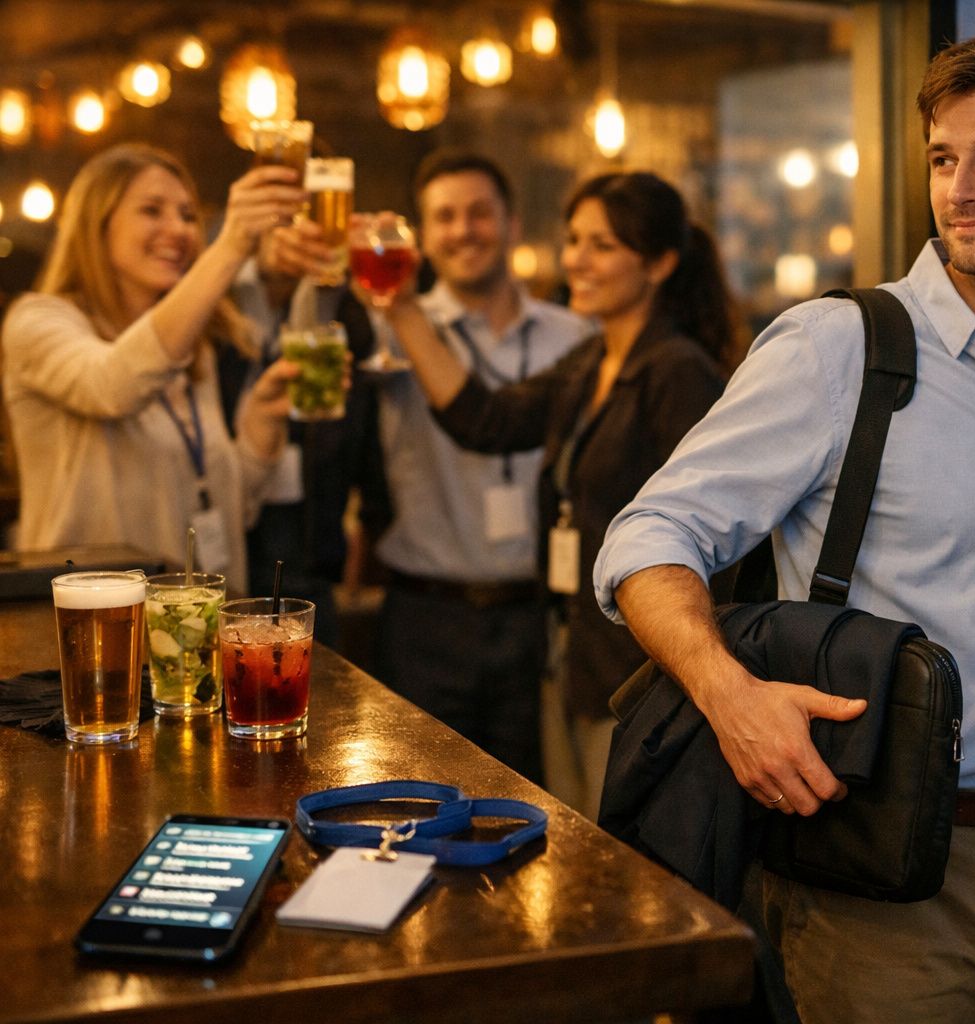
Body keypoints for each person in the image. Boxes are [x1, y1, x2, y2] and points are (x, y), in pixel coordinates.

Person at [593, 31, 975, 1023]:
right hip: (881, 870)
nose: (959, 187)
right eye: (943, 159)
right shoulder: (840, 346)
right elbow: (648, 538)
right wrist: (730, 695)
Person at [376, 171, 736, 817]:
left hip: (639, 667)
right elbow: (485, 422)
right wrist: (402, 308)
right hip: (572, 658)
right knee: (573, 836)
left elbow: (713, 537)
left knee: (623, 858)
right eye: (573, 240)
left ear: (658, 263)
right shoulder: (591, 359)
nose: (576, 260)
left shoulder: (676, 371)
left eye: (601, 245)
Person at [358, 150, 589, 782]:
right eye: (445, 217)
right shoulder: (389, 334)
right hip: (425, 619)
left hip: (536, 620)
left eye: (480, 213)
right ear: (424, 237)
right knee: (418, 806)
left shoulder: (575, 338)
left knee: (532, 809)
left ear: (513, 225)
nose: (464, 230)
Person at [1, 143, 305, 595]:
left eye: (186, 215)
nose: (177, 229)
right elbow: (111, 385)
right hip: (93, 630)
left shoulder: (191, 348)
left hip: (193, 627)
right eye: (152, 210)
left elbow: (226, 506)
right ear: (96, 224)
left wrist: (261, 421)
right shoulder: (39, 320)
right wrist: (233, 246)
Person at [221, 223, 378, 646]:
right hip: (226, 546)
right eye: (286, 219)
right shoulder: (219, 297)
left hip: (312, 548)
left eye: (314, 218)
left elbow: (366, 433)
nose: (302, 232)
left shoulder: (343, 308)